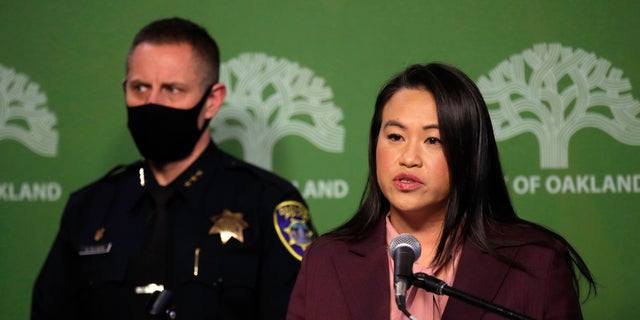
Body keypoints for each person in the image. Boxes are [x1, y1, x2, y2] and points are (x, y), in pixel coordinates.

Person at [32, 17, 315, 320]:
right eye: (140, 88)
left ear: (212, 101)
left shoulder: (265, 203)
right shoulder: (90, 208)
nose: (152, 103)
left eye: (173, 90)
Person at [286, 62, 596, 320]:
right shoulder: (326, 260)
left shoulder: (535, 262)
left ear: (468, 152)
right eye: (395, 136)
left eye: (433, 140)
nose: (408, 158)